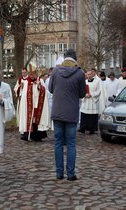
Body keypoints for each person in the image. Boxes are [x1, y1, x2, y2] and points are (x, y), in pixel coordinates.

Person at [49, 49, 86, 181]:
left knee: (58, 143)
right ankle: (70, 174)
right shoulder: (80, 73)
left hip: (57, 112)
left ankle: (59, 173)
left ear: (64, 58)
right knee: (71, 144)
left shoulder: (55, 71)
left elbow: (50, 89)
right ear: (75, 59)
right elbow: (82, 94)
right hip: (71, 113)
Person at [78, 69, 101, 134]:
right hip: (86, 100)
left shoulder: (97, 82)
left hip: (92, 101)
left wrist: (92, 95)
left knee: (92, 116)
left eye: (90, 74)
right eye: (87, 74)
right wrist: (85, 95)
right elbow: (81, 90)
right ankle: (82, 128)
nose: (89, 75)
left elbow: (99, 91)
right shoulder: (84, 82)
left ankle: (92, 129)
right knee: (84, 115)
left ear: (92, 74)